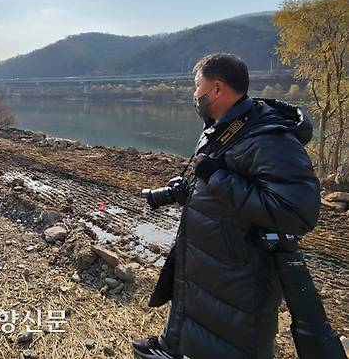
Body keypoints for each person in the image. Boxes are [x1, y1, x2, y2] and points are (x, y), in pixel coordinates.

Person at [132, 53, 321, 359]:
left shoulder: (269, 137)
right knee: (195, 307)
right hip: (210, 255)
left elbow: (296, 213)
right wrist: (190, 191)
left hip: (240, 270)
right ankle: (173, 346)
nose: (195, 95)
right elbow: (224, 181)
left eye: (197, 86)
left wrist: (216, 178)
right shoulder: (224, 127)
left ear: (217, 89)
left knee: (233, 337)